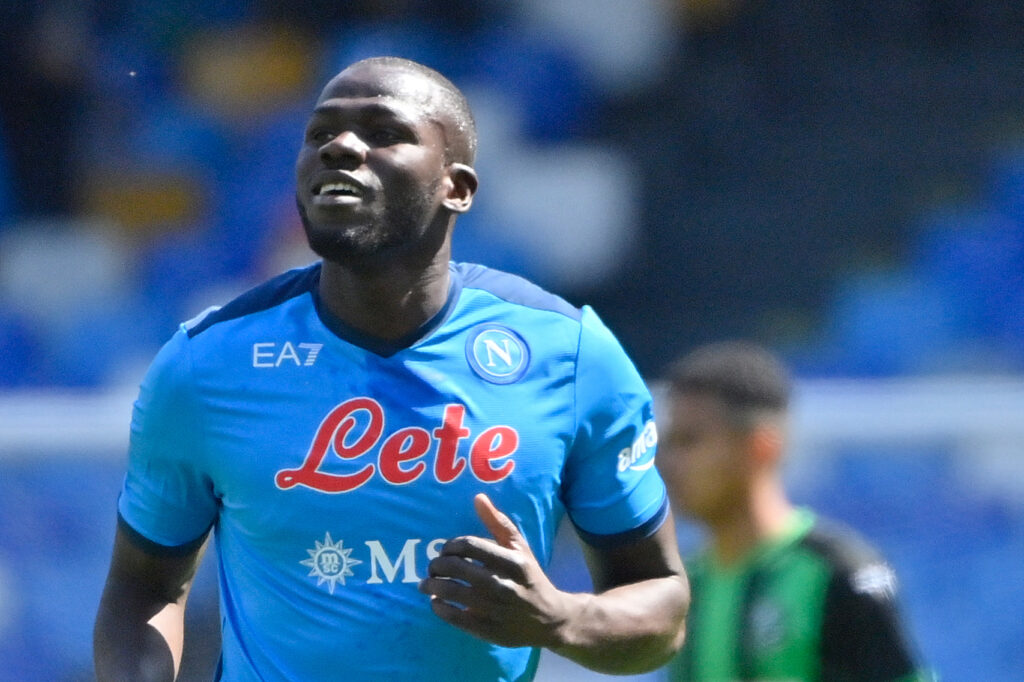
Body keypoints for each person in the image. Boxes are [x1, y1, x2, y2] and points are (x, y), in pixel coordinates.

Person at [93, 56, 689, 681]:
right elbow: (142, 589)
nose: (339, 148)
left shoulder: (569, 355)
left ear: (457, 188)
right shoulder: (205, 364)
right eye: (320, 134)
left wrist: (559, 619)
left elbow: (663, 607)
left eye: (383, 132)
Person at [657, 341, 932, 681]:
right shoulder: (687, 584)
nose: (667, 463)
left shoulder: (838, 572)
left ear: (760, 448)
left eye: (689, 442)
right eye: (667, 443)